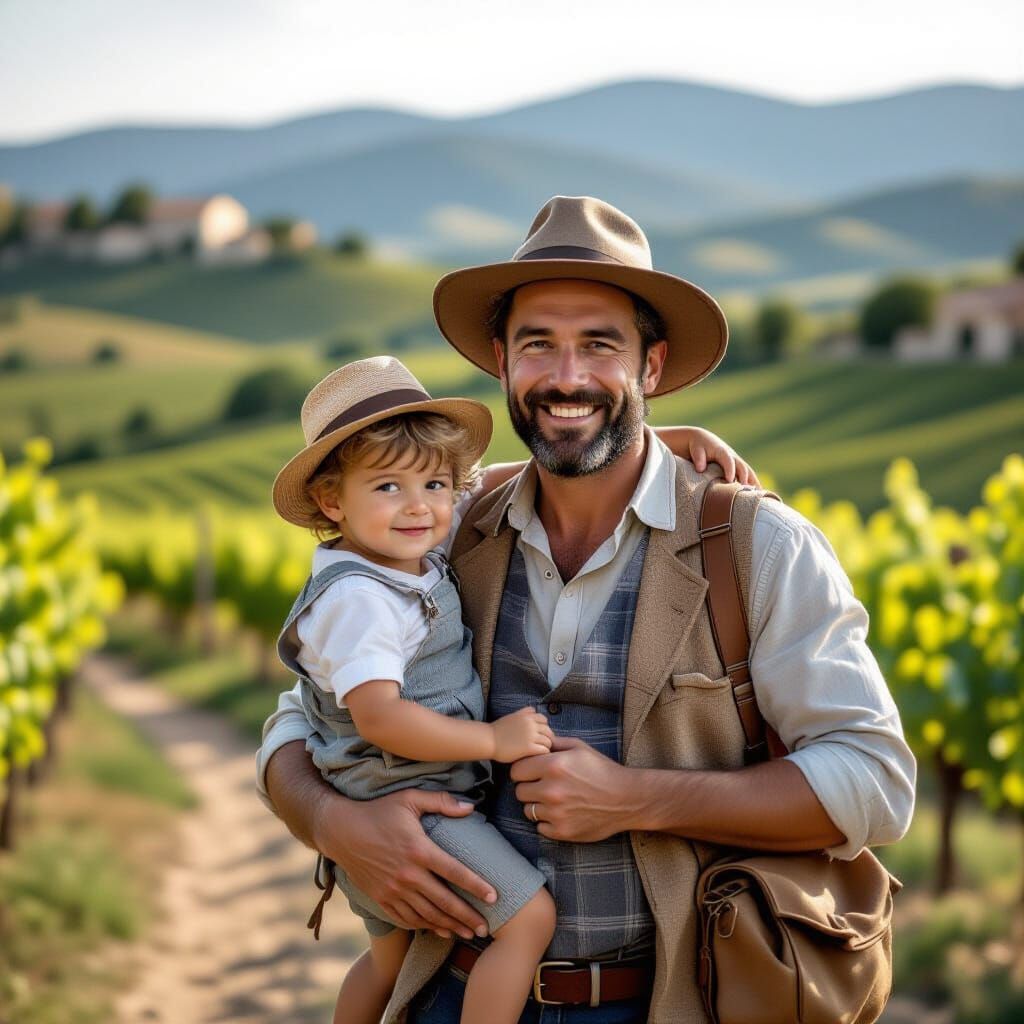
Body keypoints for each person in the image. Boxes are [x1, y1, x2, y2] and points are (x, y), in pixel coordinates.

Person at [259, 196, 916, 1024]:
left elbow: (876, 785)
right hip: (447, 993)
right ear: (503, 363)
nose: (566, 376)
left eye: (600, 345)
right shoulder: (445, 532)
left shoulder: (758, 547)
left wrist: (639, 797)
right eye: (538, 344)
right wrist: (334, 825)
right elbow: (300, 717)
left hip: (669, 1005)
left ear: (651, 367)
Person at [270, 352, 760, 1024]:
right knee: (528, 922)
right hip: (404, 801)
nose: (419, 506)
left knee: (387, 962)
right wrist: (493, 741)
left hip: (391, 794)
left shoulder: (397, 545)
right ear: (332, 501)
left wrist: (663, 442)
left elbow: (511, 478)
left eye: (436, 484)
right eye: (387, 487)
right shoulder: (362, 599)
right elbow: (380, 718)